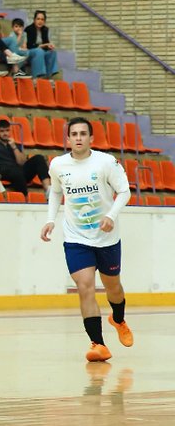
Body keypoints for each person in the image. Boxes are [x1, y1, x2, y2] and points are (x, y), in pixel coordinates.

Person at [41, 117, 133, 363]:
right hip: (76, 238)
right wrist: (50, 219)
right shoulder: (58, 165)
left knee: (113, 286)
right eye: (74, 134)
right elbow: (57, 192)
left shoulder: (106, 162)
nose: (78, 138)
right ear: (68, 138)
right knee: (85, 286)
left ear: (91, 138)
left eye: (83, 133)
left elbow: (124, 191)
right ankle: (98, 344)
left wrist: (111, 215)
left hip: (106, 237)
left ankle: (119, 318)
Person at [0, 118, 52, 195]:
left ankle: (48, 189)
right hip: (2, 170)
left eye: (7, 130)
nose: (5, 133)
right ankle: (25, 197)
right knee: (16, 172)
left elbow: (21, 162)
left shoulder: (16, 145)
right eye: (2, 131)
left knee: (38, 158)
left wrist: (14, 147)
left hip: (17, 171)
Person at [24, 10, 60, 78]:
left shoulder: (45, 29)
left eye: (42, 19)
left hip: (41, 52)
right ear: (34, 20)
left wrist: (49, 46)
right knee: (39, 51)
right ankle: (37, 76)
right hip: (29, 52)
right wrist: (44, 45)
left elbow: (46, 44)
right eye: (38, 19)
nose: (40, 21)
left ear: (44, 21)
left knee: (52, 52)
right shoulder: (29, 29)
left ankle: (48, 77)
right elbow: (29, 45)